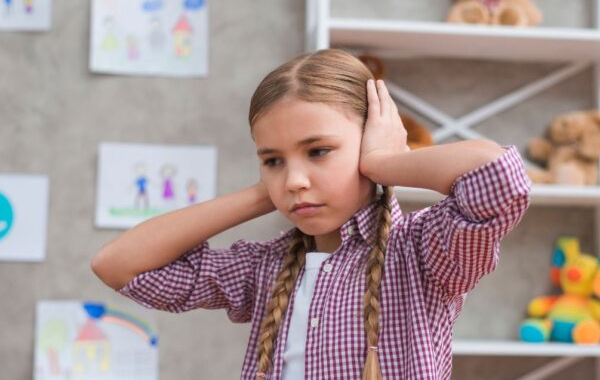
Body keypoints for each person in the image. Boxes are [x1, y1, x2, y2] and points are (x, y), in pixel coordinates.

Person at [91, 49, 532, 380]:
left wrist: (381, 162)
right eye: (273, 159)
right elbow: (118, 265)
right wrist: (263, 194)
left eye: (318, 151)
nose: (295, 180)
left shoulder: (423, 252)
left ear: (367, 140)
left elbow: (498, 179)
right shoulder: (264, 267)